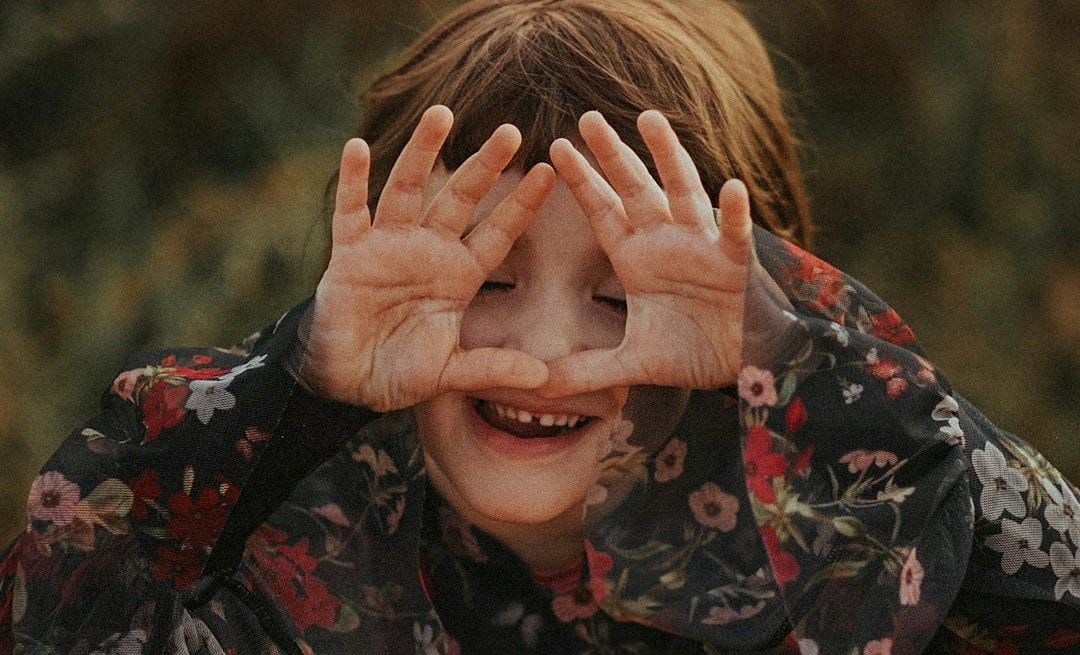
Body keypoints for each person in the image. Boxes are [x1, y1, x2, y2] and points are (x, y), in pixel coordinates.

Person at [1, 0, 1078, 653]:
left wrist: (798, 365)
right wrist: (300, 376)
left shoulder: (831, 552)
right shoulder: (289, 541)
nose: (549, 351)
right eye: (481, 279)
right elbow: (54, 617)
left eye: (620, 296)